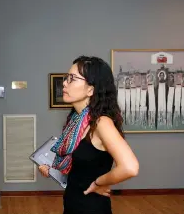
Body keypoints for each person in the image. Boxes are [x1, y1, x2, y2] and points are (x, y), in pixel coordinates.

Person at [39, 56, 139, 214]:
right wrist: (51, 169)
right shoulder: (76, 120)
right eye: (66, 78)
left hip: (91, 208)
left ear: (91, 89)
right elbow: (78, 167)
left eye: (72, 79)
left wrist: (99, 183)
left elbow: (130, 167)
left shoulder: (101, 122)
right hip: (72, 202)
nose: (65, 82)